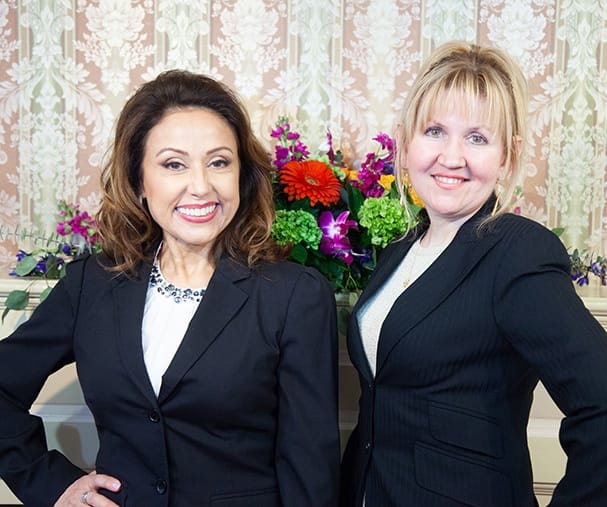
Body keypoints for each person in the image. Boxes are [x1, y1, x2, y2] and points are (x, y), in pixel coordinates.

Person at [0, 70, 340, 506]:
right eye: (173, 164)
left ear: (243, 174)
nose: (200, 186)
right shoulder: (93, 283)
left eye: (219, 162)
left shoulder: (294, 295)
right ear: (140, 180)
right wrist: (54, 486)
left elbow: (310, 472)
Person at [340, 41, 607, 507]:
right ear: (405, 143)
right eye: (435, 131)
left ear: (507, 155)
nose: (451, 156)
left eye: (478, 138)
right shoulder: (400, 252)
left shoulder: (518, 252)